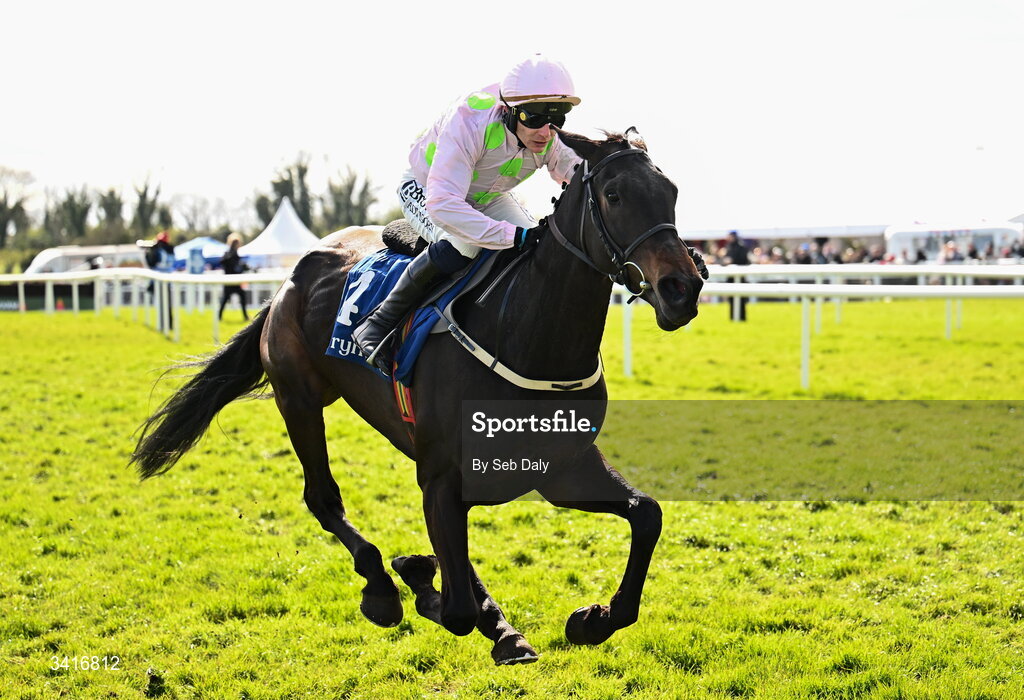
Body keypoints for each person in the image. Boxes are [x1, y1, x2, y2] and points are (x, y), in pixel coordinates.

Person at [352, 53, 584, 373]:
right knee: (467, 243)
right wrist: (510, 235)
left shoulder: (548, 134)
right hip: (430, 189)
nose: (546, 132)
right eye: (535, 118)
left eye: (556, 119)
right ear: (509, 110)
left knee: (539, 248)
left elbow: (578, 172)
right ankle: (377, 323)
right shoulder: (470, 121)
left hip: (488, 196)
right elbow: (444, 203)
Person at [143, 231, 176, 331]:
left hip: (157, 281)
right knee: (167, 304)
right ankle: (169, 325)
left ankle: (162, 325)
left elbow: (151, 263)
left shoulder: (158, 251)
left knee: (160, 305)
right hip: (168, 281)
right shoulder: (171, 251)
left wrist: (147, 253)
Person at [218, 233, 249, 321]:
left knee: (242, 297)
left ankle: (245, 316)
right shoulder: (227, 254)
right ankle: (219, 317)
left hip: (236, 281)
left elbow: (239, 268)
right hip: (229, 281)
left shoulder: (237, 255)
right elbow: (223, 262)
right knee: (225, 299)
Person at [722, 230, 749, 321]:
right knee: (732, 299)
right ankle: (733, 317)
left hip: (740, 276)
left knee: (741, 299)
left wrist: (732, 261)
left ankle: (742, 317)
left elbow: (744, 261)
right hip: (731, 276)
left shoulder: (741, 247)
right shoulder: (729, 247)